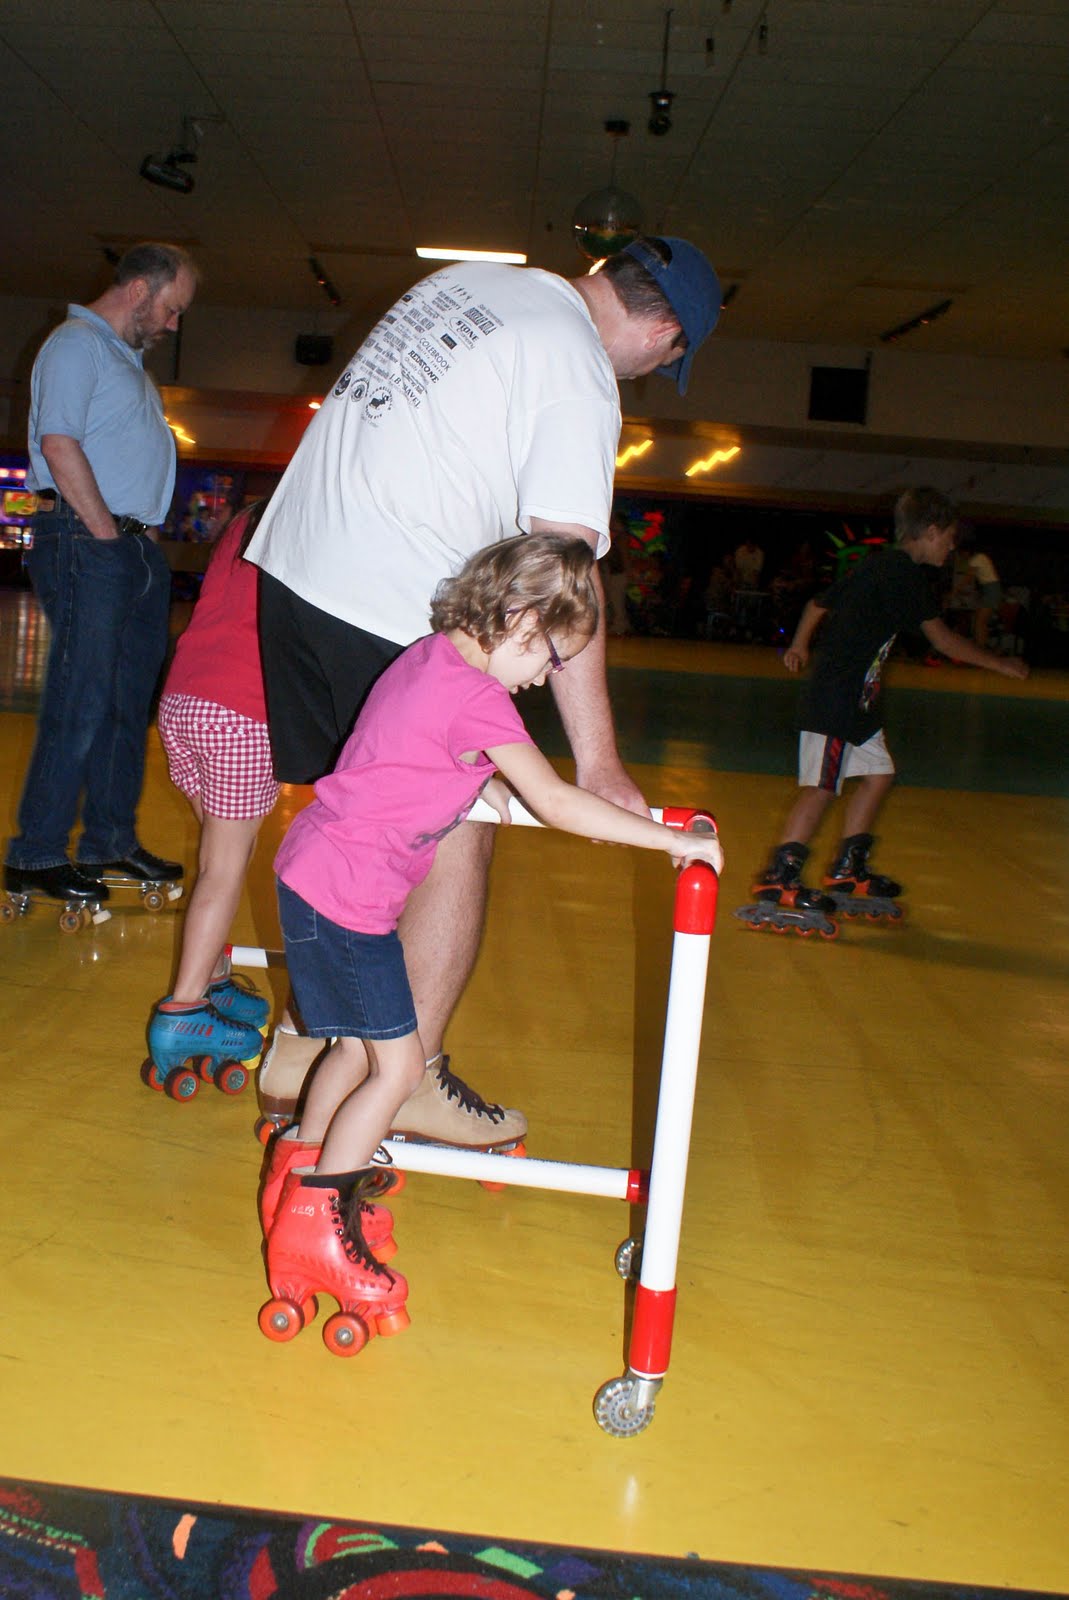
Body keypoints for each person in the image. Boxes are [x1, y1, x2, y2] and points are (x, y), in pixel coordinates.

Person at [244, 234, 723, 1146]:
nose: (647, 374)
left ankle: (311, 1049)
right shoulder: (578, 366)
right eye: (665, 361)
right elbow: (562, 582)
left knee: (357, 812)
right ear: (660, 329)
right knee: (452, 824)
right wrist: (601, 764)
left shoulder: (471, 282)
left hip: (294, 575)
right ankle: (405, 1072)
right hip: (383, 604)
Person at [257, 534, 724, 1342]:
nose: (546, 678)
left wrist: (478, 779)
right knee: (397, 1069)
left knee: (349, 1051)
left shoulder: (432, 656)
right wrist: (671, 842)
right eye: (549, 656)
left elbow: (408, 749)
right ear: (517, 617)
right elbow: (558, 801)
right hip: (349, 899)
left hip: (315, 876)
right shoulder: (481, 700)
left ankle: (292, 1179)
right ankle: (322, 1223)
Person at [4, 242, 199, 910]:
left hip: (130, 546)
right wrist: (105, 534)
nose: (173, 324)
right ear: (141, 288)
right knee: (81, 697)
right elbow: (59, 444)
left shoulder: (122, 360)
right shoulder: (75, 345)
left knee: (124, 704)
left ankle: (108, 840)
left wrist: (130, 544)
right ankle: (35, 852)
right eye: (172, 308)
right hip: (89, 539)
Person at [750, 487, 1029, 917]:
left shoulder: (880, 567)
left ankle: (848, 868)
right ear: (931, 531)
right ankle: (779, 877)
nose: (952, 547)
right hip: (835, 699)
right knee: (823, 788)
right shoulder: (902, 575)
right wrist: (999, 664)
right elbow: (943, 640)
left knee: (879, 774)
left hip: (858, 704)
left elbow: (818, 603)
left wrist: (802, 644)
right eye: (949, 538)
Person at [144, 501, 278, 1083]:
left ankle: (212, 977)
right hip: (242, 709)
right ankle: (186, 1009)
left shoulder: (252, 514)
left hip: (183, 698)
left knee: (225, 854)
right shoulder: (316, 521)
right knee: (224, 866)